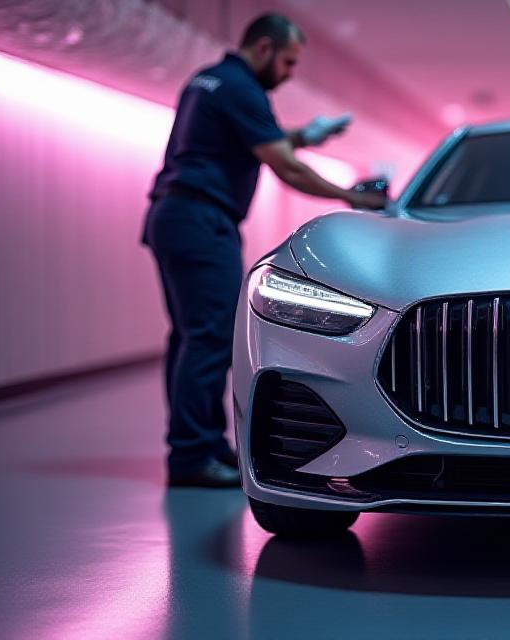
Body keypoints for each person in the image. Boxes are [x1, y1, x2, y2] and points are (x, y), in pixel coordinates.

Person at [143, 13, 386, 488]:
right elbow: (287, 169)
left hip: (174, 216)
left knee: (190, 338)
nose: (290, 73)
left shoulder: (209, 80)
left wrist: (304, 136)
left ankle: (203, 445)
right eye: (288, 62)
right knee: (209, 338)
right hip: (202, 222)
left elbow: (251, 140)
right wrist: (352, 198)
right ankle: (191, 456)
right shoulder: (243, 89)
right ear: (263, 48)